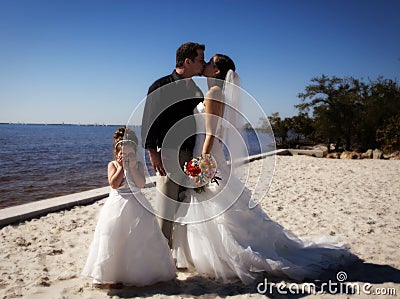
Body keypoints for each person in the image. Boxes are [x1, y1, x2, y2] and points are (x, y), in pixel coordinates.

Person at [172, 54, 358, 284]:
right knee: (215, 203)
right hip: (212, 152)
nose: (206, 65)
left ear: (218, 71)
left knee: (214, 204)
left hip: (207, 152)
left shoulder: (214, 93)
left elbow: (211, 133)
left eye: (210, 63)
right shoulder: (218, 93)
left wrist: (202, 162)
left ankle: (218, 257)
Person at [82, 127, 176, 286]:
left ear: (135, 153)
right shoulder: (112, 165)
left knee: (140, 237)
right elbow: (114, 184)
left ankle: (142, 272)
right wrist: (121, 168)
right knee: (114, 237)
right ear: (116, 153)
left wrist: (131, 167)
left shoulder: (138, 165)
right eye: (123, 154)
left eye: (130, 154)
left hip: (136, 203)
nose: (126, 157)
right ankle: (115, 272)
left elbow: (139, 184)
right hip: (116, 204)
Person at [141, 42, 205, 247]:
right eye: (200, 60)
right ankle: (161, 255)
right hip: (169, 154)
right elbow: (149, 120)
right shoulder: (160, 86)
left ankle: (178, 252)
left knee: (184, 207)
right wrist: (153, 153)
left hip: (191, 153)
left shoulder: (195, 89)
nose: (203, 64)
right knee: (166, 210)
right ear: (188, 61)